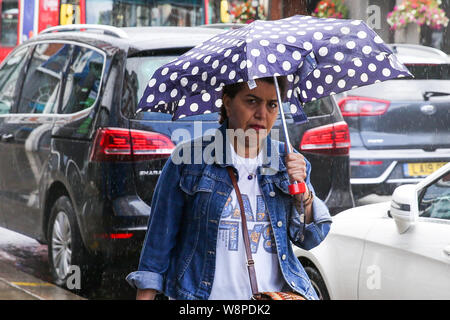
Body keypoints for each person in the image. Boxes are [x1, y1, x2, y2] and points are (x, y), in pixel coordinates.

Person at [126, 77, 332, 300]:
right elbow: (157, 247)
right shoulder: (189, 161)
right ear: (227, 102)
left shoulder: (288, 163)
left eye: (272, 104)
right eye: (252, 101)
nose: (263, 114)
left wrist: (304, 195)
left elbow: (309, 238)